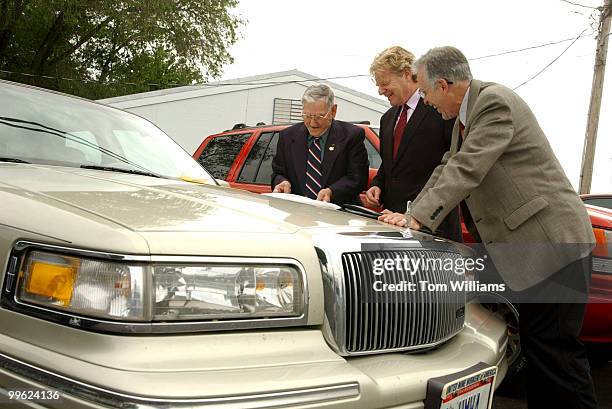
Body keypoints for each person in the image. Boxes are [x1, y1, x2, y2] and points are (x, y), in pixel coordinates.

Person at [380, 46, 598, 409]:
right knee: (539, 351)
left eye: (427, 92)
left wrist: (417, 218)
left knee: (557, 354)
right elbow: (446, 167)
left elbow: (468, 167)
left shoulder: (494, 103)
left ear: (445, 85)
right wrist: (412, 212)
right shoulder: (464, 120)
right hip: (529, 250)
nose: (427, 102)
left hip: (553, 244)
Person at [364, 46, 461, 242]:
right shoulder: (387, 119)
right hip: (392, 222)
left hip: (432, 226)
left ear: (406, 74)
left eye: (385, 83)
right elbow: (390, 165)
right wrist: (377, 185)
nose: (381, 91)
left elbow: (453, 164)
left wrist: (420, 213)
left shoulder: (440, 110)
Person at [271, 84, 369, 205]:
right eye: (307, 116)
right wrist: (281, 182)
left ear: (333, 111)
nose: (312, 123)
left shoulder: (351, 136)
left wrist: (332, 192)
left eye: (319, 116)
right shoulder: (287, 136)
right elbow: (278, 173)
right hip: (298, 214)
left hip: (339, 213)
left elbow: (358, 178)